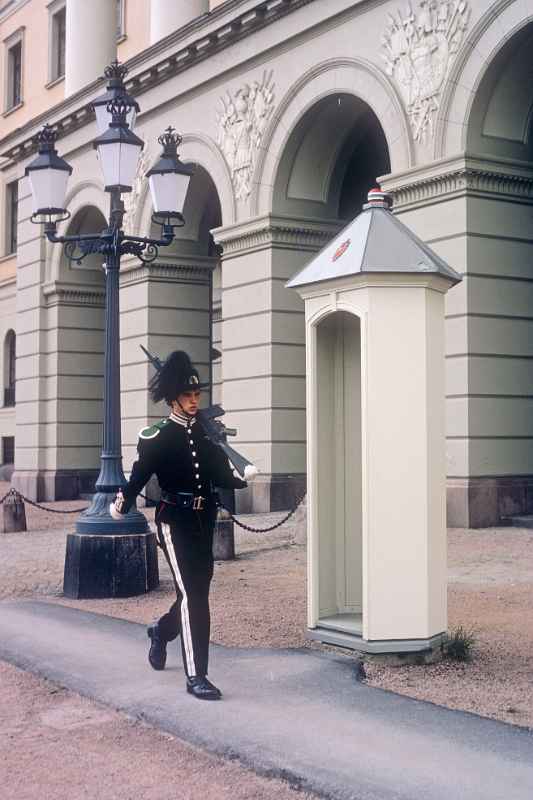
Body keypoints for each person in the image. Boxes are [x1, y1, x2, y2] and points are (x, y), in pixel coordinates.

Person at [110, 351, 255, 700]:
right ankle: (196, 675)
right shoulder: (157, 436)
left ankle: (161, 631)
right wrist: (122, 502)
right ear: (174, 397)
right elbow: (140, 476)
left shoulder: (205, 434)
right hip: (173, 521)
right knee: (192, 593)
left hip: (204, 519)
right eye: (188, 396)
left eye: (197, 395)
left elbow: (220, 473)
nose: (194, 401)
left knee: (196, 592)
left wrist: (241, 477)